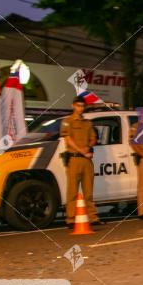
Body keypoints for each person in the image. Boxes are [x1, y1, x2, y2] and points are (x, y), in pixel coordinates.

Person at [60, 96, 101, 227]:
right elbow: (68, 139)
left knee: (88, 191)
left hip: (86, 160)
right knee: (72, 191)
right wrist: (82, 150)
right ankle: (71, 219)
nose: (80, 108)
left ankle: (92, 217)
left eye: (82, 106)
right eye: (78, 105)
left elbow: (93, 139)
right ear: (73, 106)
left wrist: (88, 148)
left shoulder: (88, 123)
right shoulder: (67, 121)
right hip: (74, 159)